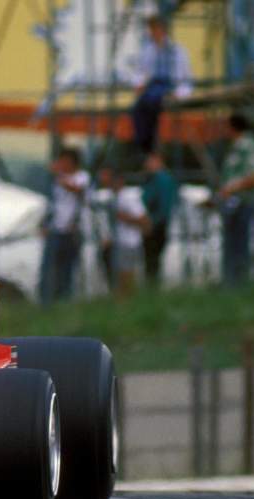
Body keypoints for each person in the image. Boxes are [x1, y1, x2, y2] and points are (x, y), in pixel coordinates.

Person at [213, 113, 254, 285]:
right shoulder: (236, 146)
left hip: (243, 202)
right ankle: (231, 285)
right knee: (232, 245)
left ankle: (239, 285)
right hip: (233, 204)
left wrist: (232, 188)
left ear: (233, 127)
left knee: (239, 245)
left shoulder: (248, 145)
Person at [130, 14, 193, 153]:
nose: (153, 33)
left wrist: (180, 93)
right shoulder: (148, 50)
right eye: (152, 29)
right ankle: (145, 143)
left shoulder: (177, 51)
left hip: (170, 86)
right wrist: (139, 84)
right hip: (153, 86)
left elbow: (186, 77)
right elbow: (140, 71)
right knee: (138, 108)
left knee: (151, 103)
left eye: (156, 29)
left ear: (163, 30)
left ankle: (149, 144)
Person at [39, 147, 89, 303]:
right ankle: (46, 302)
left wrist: (58, 175)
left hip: (72, 231)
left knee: (67, 271)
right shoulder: (56, 180)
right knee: (48, 270)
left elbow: (77, 189)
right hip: (55, 229)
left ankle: (64, 300)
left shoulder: (82, 177)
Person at [98, 168, 151, 297]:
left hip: (129, 243)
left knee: (126, 276)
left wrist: (124, 217)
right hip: (119, 243)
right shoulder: (113, 198)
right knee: (119, 276)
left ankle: (126, 303)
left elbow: (145, 221)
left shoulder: (128, 197)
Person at [140, 152, 179, 286]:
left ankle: (151, 286)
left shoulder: (162, 180)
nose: (147, 164)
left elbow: (163, 206)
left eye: (151, 161)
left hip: (155, 224)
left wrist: (151, 222)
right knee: (151, 259)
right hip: (152, 222)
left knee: (152, 259)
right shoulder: (153, 179)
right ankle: (151, 286)